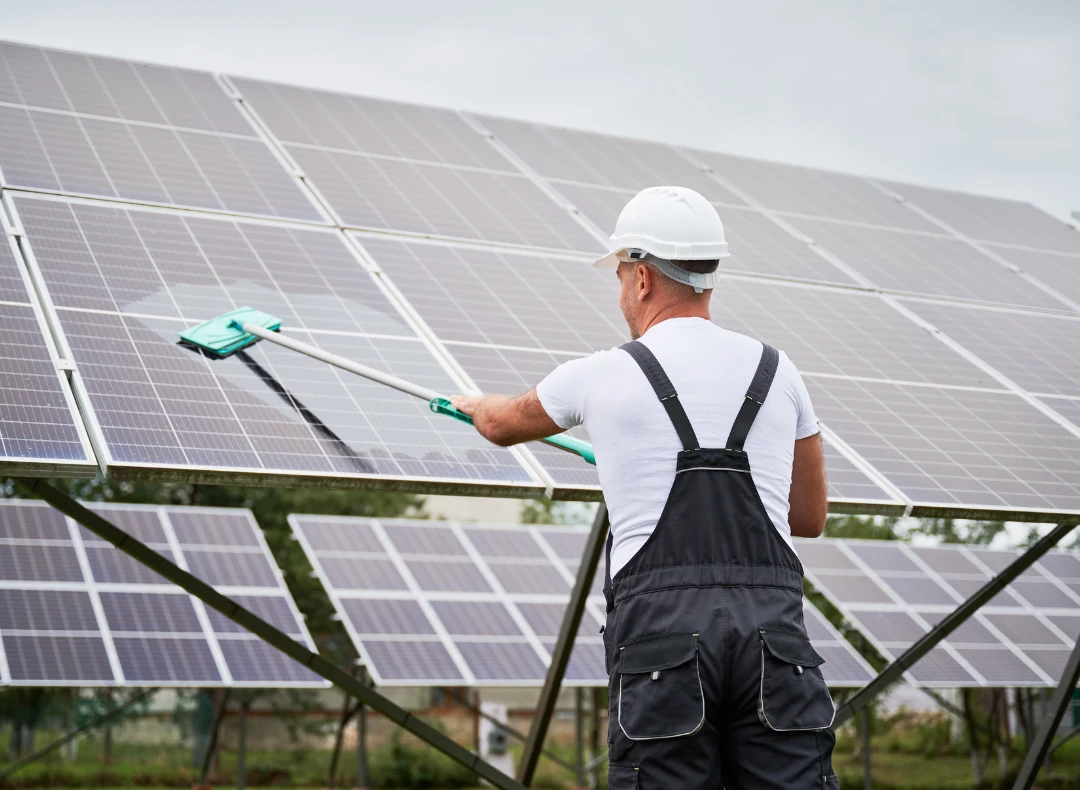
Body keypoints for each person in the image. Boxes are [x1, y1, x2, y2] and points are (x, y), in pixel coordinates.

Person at [451, 185, 837, 789]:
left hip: (663, 643)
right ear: (708, 276)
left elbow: (501, 424)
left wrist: (472, 405)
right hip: (774, 644)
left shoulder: (600, 375)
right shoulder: (779, 371)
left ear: (642, 277)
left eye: (621, 274)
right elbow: (809, 517)